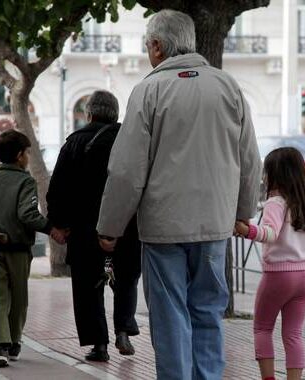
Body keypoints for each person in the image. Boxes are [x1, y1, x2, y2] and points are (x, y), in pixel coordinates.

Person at [96, 9, 262, 380]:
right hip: (215, 226)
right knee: (208, 312)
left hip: (164, 227)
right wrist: (242, 211)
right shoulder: (228, 87)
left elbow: (126, 170)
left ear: (157, 46)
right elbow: (250, 158)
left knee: (170, 316)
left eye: (147, 45)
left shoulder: (148, 90)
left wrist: (110, 226)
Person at [47, 90, 141, 362]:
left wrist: (60, 225)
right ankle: (123, 327)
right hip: (125, 227)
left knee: (88, 287)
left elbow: (58, 189)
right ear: (115, 114)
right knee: (125, 277)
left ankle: (99, 345)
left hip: (85, 229)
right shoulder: (129, 142)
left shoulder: (74, 143)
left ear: (89, 114)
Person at [0, 130, 64, 368]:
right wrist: (51, 229)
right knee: (19, 299)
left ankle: (0, 346)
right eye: (27, 152)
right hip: (16, 249)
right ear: (19, 156)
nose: (28, 157)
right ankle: (13, 343)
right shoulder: (25, 181)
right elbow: (28, 214)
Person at [234, 147, 305, 380]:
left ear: (276, 174)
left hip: (279, 275)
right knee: (293, 334)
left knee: (262, 328)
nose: (264, 177)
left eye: (266, 172)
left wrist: (246, 230)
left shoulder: (276, 202)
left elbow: (270, 233)